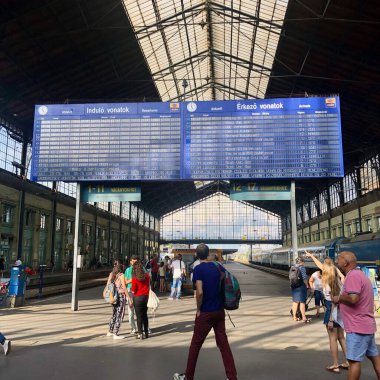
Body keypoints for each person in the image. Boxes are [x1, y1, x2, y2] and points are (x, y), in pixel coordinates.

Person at [173, 243, 237, 380]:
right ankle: (232, 377)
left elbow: (200, 292)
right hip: (219, 311)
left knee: (195, 345)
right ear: (208, 254)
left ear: (196, 254)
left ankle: (188, 377)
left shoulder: (198, 269)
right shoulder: (217, 266)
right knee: (223, 344)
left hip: (206, 312)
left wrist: (198, 309)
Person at [333, 251, 380, 379]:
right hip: (366, 326)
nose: (337, 263)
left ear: (345, 262)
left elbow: (353, 299)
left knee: (353, 362)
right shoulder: (361, 274)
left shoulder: (353, 276)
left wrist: (339, 298)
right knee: (375, 359)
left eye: (338, 260)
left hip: (357, 327)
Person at [306, 251, 349, 373]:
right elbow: (341, 276)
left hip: (332, 308)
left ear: (326, 269)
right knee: (341, 337)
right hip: (341, 308)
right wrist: (312, 256)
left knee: (332, 338)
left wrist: (330, 319)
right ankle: (348, 361)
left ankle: (335, 364)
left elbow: (333, 302)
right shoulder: (338, 278)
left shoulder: (329, 282)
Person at [106, 261, 132, 339]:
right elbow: (124, 287)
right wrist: (129, 298)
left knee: (114, 314)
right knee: (120, 314)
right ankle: (116, 333)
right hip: (121, 296)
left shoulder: (112, 274)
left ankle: (110, 331)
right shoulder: (121, 275)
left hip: (114, 296)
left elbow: (108, 285)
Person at [131, 260, 150, 340]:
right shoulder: (147, 276)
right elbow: (149, 286)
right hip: (146, 297)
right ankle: (146, 332)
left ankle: (140, 334)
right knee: (145, 315)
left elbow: (133, 290)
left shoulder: (135, 278)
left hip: (137, 298)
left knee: (139, 317)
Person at [290, 257, 311, 323]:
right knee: (302, 302)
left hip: (294, 286)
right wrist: (307, 285)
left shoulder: (292, 267)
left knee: (295, 301)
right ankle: (304, 317)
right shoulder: (302, 268)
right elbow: (304, 278)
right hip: (301, 286)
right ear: (302, 262)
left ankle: (294, 317)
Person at [124, 255, 138, 334]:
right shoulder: (127, 270)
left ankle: (142, 327)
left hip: (138, 291)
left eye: (136, 261)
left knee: (139, 311)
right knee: (131, 311)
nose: (134, 263)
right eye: (133, 261)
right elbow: (125, 282)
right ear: (130, 262)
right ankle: (133, 328)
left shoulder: (141, 269)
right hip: (130, 291)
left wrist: (131, 280)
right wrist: (135, 279)